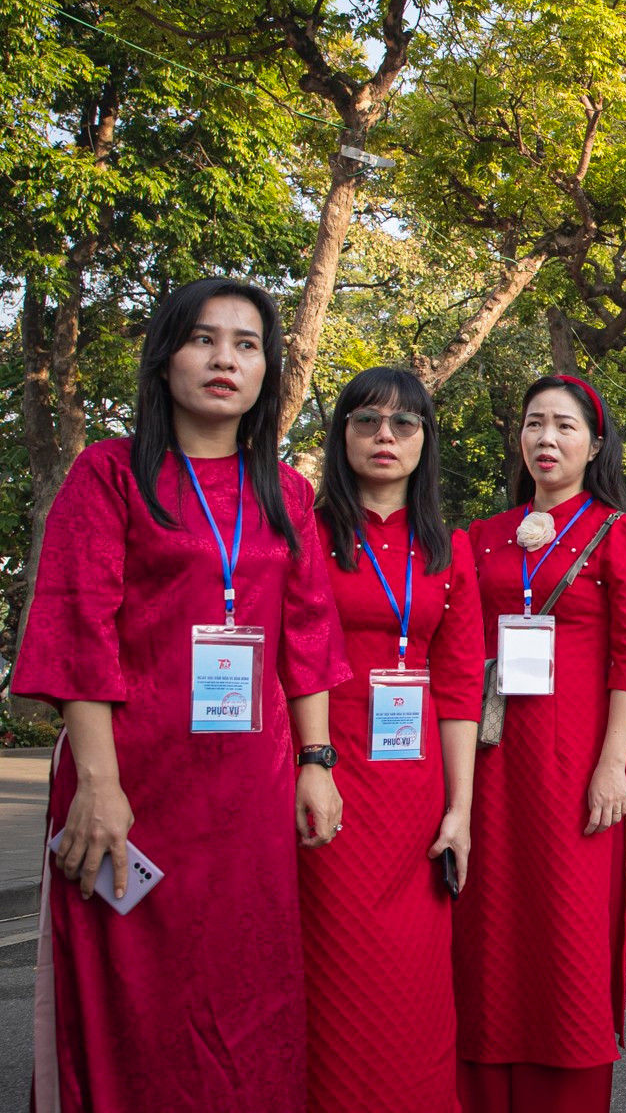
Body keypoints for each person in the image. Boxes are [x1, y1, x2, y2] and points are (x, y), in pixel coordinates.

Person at [15, 277, 349, 1111]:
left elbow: (307, 636)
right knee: (130, 1001)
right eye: (204, 340)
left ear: (268, 372)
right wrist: (98, 786)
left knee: (247, 991)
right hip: (131, 785)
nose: (225, 360)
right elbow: (78, 628)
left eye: (246, 345)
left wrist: (317, 762)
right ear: (165, 359)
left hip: (249, 795)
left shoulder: (288, 495)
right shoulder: (110, 475)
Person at [456, 374, 626, 1111]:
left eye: (565, 427)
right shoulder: (481, 537)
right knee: (486, 921)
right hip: (492, 752)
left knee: (567, 926)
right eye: (535, 424)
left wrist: (614, 764)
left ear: (595, 444)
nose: (547, 439)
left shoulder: (619, 531)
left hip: (576, 761)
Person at [300, 368, 484, 1113]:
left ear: (424, 442)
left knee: (414, 975)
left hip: (416, 790)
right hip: (328, 771)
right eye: (368, 421)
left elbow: (462, 684)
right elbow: (294, 655)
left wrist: (461, 808)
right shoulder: (306, 534)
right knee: (340, 967)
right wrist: (312, 765)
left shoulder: (451, 550)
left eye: (404, 424)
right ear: (341, 435)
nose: (385, 436)